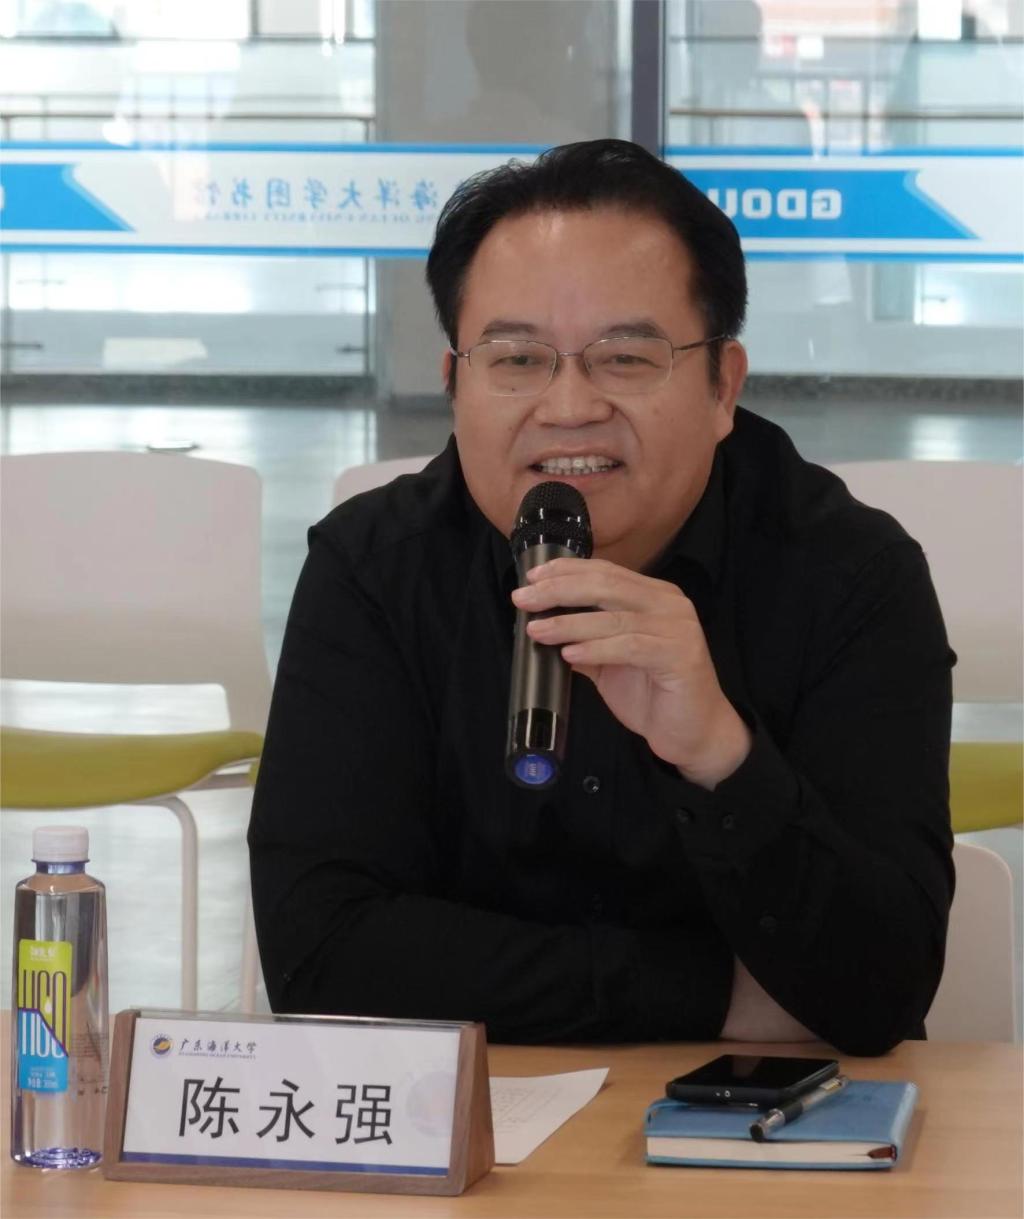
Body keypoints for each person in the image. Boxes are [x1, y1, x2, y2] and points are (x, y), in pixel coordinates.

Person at [248, 139, 954, 1055]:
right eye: (517, 359)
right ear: (455, 382)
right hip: (473, 1117)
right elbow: (321, 957)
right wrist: (713, 992)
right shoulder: (375, 568)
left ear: (723, 386)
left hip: (774, 1120)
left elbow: (879, 990)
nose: (569, 406)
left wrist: (723, 756)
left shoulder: (850, 575)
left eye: (625, 358)